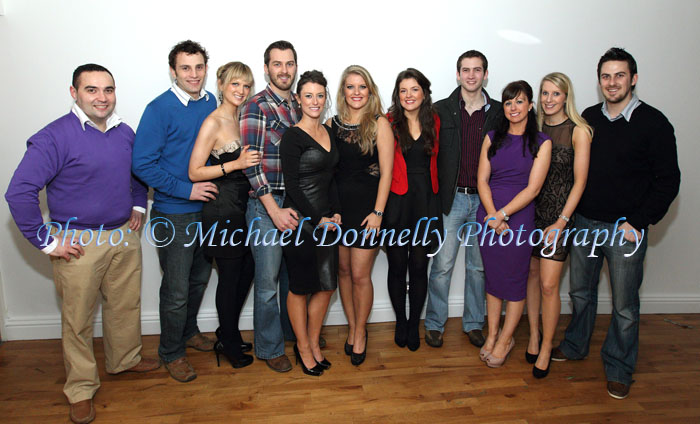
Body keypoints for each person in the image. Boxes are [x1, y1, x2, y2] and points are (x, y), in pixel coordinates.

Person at [5, 64, 160, 424]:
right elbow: (19, 193)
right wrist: (47, 242)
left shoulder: (125, 132)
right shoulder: (54, 137)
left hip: (123, 235)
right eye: (92, 90)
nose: (101, 97)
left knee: (125, 306)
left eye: (108, 89)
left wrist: (138, 203)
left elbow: (138, 172)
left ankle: (124, 361)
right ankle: (80, 389)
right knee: (77, 319)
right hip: (78, 243)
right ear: (74, 93)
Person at [553, 48, 681, 399]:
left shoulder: (654, 123)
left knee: (625, 306)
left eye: (619, 75)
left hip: (625, 230)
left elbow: (668, 180)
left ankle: (619, 367)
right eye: (606, 76)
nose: (612, 82)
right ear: (599, 81)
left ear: (633, 79)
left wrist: (639, 222)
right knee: (580, 293)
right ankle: (576, 345)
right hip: (584, 224)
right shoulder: (589, 119)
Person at [132, 40, 217, 383]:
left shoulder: (211, 102)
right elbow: (142, 165)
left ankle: (189, 331)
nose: (193, 74)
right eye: (185, 68)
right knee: (177, 288)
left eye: (199, 67)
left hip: (207, 211)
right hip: (173, 213)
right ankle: (171, 351)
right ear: (173, 71)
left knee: (199, 279)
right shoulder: (159, 109)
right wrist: (187, 189)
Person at [424, 51, 502, 349]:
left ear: (485, 74)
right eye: (465, 70)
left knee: (478, 267)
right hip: (452, 199)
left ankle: (473, 323)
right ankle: (434, 324)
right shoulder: (441, 109)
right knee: (442, 265)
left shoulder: (497, 112)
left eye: (477, 70)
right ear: (457, 74)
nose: (471, 75)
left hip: (484, 200)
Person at [188, 62, 261, 369]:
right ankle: (229, 342)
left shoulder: (243, 117)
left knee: (247, 272)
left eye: (246, 86)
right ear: (220, 84)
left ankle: (226, 330)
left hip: (243, 208)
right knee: (230, 279)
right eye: (235, 84)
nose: (241, 91)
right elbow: (194, 171)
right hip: (221, 211)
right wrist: (234, 164)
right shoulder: (213, 122)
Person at [476, 80, 552, 368]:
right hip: (488, 217)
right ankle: (493, 334)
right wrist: (492, 214)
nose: (513, 107)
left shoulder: (542, 142)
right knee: (494, 279)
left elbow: (533, 189)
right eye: (508, 102)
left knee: (515, 281)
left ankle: (507, 338)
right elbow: (482, 179)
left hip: (517, 220)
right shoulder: (492, 137)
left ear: (530, 105)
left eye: (520, 101)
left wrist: (503, 214)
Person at [524, 72, 592, 379]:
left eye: (555, 93)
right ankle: (535, 335)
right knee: (532, 276)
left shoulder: (578, 131)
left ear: (566, 97)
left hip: (558, 219)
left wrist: (562, 222)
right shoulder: (532, 128)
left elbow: (580, 182)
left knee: (550, 285)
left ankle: (549, 345)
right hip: (529, 214)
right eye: (545, 93)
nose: (549, 99)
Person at [240, 40, 300, 373]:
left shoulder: (300, 105)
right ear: (266, 68)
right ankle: (269, 347)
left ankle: (293, 333)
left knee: (293, 278)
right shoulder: (256, 106)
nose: (284, 70)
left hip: (296, 205)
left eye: (289, 64)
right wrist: (273, 211)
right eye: (277, 64)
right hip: (266, 208)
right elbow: (251, 165)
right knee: (266, 284)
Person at [327, 65, 393, 366]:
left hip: (368, 213)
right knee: (342, 272)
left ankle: (360, 332)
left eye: (361, 87)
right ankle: (352, 327)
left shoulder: (379, 124)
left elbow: (387, 174)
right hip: (339, 213)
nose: (356, 92)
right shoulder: (331, 124)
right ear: (343, 91)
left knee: (359, 274)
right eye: (350, 87)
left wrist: (378, 213)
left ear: (370, 90)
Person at [280, 70, 340, 376]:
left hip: (328, 223)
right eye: (308, 95)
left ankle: (314, 343)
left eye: (320, 95)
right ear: (298, 100)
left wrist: (336, 212)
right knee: (302, 287)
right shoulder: (292, 136)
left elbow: (331, 178)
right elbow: (292, 185)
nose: (314, 101)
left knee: (327, 286)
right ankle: (302, 347)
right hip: (302, 222)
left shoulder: (329, 131)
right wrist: (317, 219)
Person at [385, 68, 441, 351]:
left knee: (420, 267)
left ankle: (414, 324)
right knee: (397, 266)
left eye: (414, 89)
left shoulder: (436, 121)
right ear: (398, 94)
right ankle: (400, 321)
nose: (409, 95)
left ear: (424, 92)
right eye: (403, 90)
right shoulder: (387, 122)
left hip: (426, 204)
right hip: (397, 203)